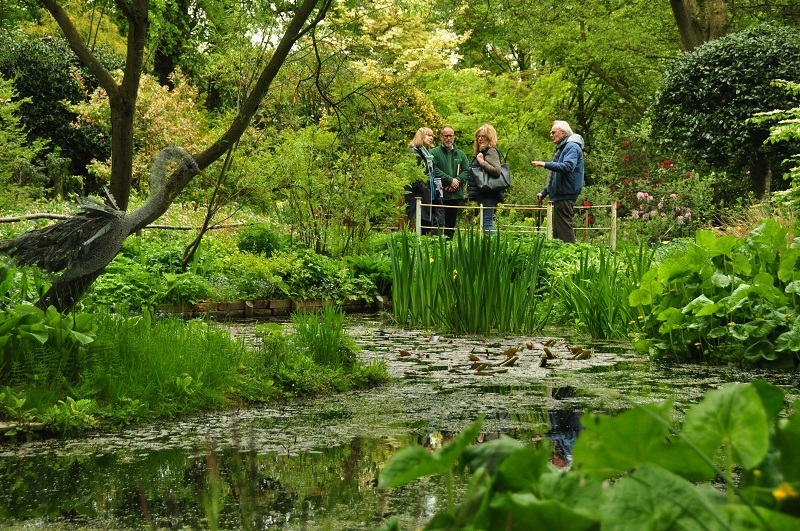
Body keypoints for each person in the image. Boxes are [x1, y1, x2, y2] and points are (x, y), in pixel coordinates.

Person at [532, 120, 585, 243]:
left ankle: (570, 255)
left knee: (564, 229)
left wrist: (545, 164)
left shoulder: (571, 147)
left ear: (563, 132)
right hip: (560, 194)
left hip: (566, 193)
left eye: (553, 132)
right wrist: (544, 192)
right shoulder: (562, 148)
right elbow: (556, 176)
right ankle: (561, 255)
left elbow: (567, 166)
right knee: (558, 230)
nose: (551, 135)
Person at [430, 126, 470, 240]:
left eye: (451, 136)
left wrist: (456, 181)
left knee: (451, 224)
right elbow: (433, 169)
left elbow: (466, 171)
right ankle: (436, 246)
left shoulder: (460, 154)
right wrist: (449, 180)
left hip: (456, 194)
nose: (448, 138)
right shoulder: (434, 152)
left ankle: (449, 246)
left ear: (454, 137)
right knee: (437, 223)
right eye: (446, 136)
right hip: (440, 195)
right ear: (441, 137)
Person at [405, 127, 443, 235]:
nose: (431, 138)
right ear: (421, 136)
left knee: (427, 227)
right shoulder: (413, 153)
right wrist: (423, 190)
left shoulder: (427, 155)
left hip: (428, 196)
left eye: (432, 136)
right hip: (419, 197)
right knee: (420, 227)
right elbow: (413, 177)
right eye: (428, 135)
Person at [466, 124, 504, 233]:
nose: (480, 139)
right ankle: (490, 246)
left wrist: (482, 162)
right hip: (484, 192)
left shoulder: (490, 151)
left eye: (483, 136)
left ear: (490, 137)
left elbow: (497, 171)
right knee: (485, 223)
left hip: (489, 193)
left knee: (487, 223)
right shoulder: (483, 152)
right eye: (478, 136)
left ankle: (492, 247)